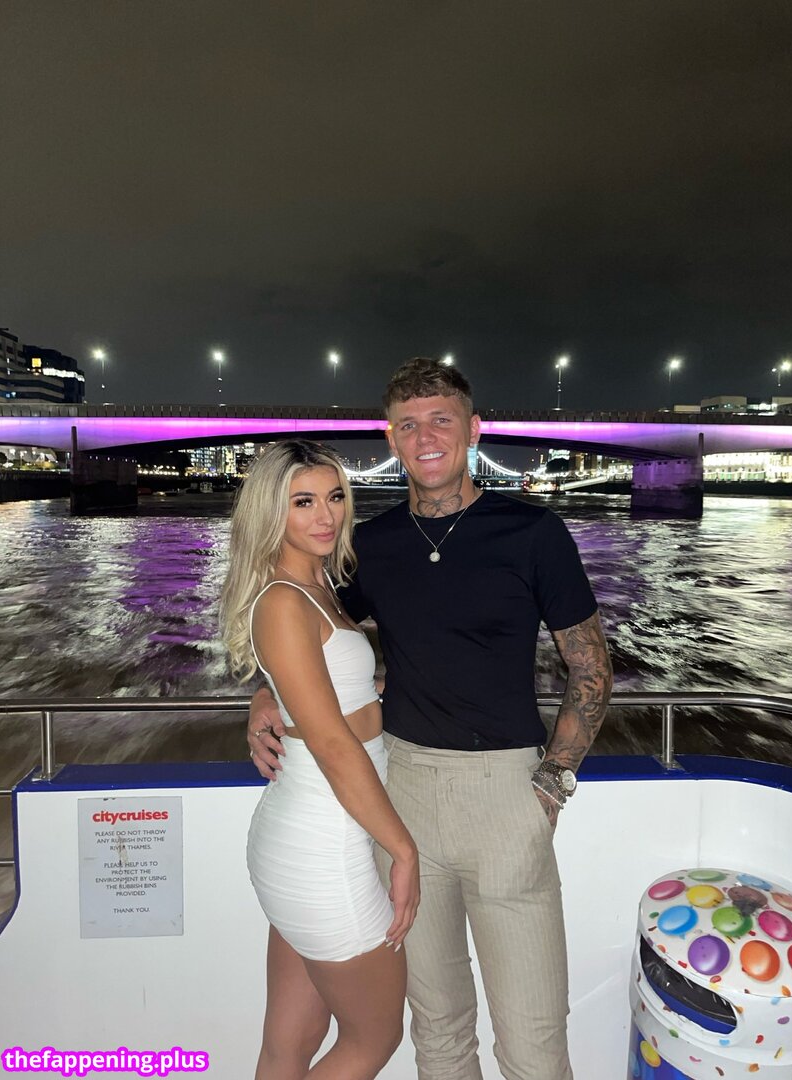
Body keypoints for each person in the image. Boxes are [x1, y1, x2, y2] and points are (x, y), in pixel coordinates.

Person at [249, 360, 613, 1080]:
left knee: (534, 1041)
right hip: (401, 790)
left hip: (506, 793)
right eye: (408, 425)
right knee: (438, 1032)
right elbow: (309, 637)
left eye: (441, 420)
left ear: (473, 430)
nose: (425, 438)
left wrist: (553, 783)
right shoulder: (371, 545)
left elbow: (592, 667)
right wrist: (266, 695)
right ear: (391, 438)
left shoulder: (533, 532)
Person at [221, 439, 420, 1080]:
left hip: (306, 837)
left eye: (334, 496)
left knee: (292, 1040)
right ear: (270, 511)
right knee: (374, 1038)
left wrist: (271, 694)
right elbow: (334, 746)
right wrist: (404, 852)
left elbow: (326, 689)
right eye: (302, 502)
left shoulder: (320, 586)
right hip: (323, 847)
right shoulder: (285, 600)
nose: (326, 515)